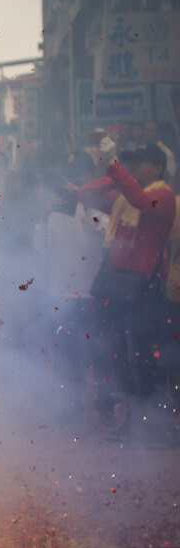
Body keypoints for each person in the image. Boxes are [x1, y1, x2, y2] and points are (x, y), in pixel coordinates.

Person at [79, 138, 175, 436]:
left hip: (145, 290)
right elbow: (87, 194)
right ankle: (136, 423)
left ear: (157, 167)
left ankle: (159, 426)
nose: (132, 168)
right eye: (129, 162)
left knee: (143, 358)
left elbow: (142, 202)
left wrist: (118, 169)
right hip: (120, 287)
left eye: (139, 163)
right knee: (122, 356)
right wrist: (116, 173)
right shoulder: (126, 196)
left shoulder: (164, 196)